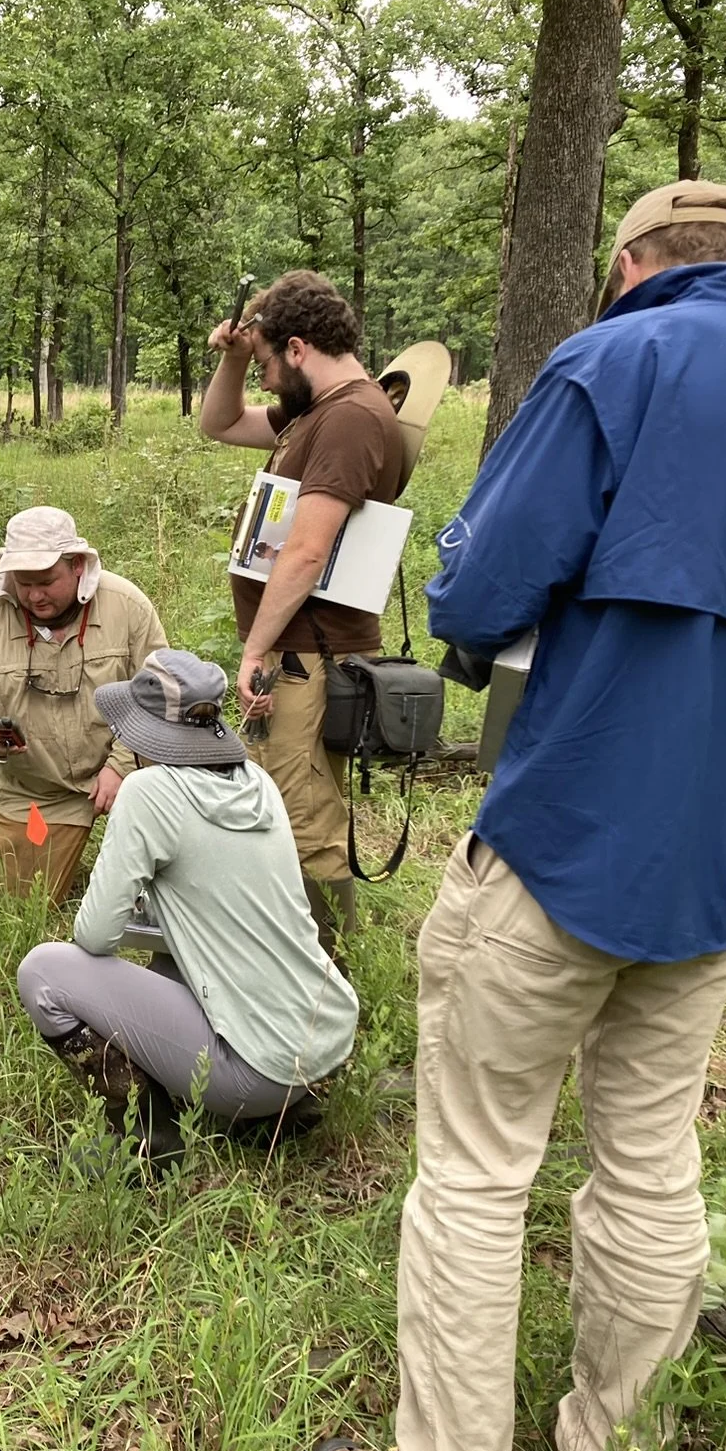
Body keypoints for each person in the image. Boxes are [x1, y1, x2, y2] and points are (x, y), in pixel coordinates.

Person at [395, 182, 726, 1451]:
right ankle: (609, 1442)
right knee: (646, 1157)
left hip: (564, 832)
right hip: (723, 863)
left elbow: (473, 597)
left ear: (631, 263)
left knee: (473, 1169)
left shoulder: (610, 360)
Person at [16, 650, 360, 1171]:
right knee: (172, 955)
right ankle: (281, 1113)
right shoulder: (258, 783)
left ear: (147, 735)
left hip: (257, 1072)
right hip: (325, 1043)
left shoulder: (149, 791)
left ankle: (146, 1145)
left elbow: (95, 936)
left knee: (43, 971)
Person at [196, 272, 407, 959]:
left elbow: (307, 549)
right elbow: (219, 424)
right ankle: (308, 960)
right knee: (294, 804)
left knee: (303, 813)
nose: (260, 380)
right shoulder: (322, 410)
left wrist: (254, 650)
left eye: (261, 364)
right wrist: (231, 356)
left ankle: (328, 975)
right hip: (298, 651)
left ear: (295, 347)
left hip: (308, 654)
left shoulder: (348, 417)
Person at [0, 507, 167, 904]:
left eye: (46, 581)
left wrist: (123, 766)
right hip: (37, 788)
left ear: (78, 565)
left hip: (136, 774)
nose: (35, 595)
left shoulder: (126, 606)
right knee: (24, 908)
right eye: (24, 584)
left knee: (173, 887)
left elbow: (160, 691)